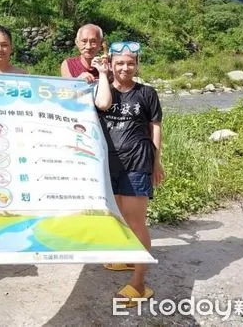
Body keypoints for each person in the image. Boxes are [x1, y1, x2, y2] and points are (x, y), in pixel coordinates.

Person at [96, 41, 164, 308]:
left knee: (136, 222)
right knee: (120, 218)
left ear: (137, 65)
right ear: (111, 65)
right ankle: (127, 258)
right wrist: (102, 75)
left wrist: (156, 163)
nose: (125, 67)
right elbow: (101, 105)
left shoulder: (147, 93)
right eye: (119, 63)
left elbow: (155, 128)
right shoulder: (102, 91)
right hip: (108, 167)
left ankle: (138, 283)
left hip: (137, 164)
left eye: (130, 63)